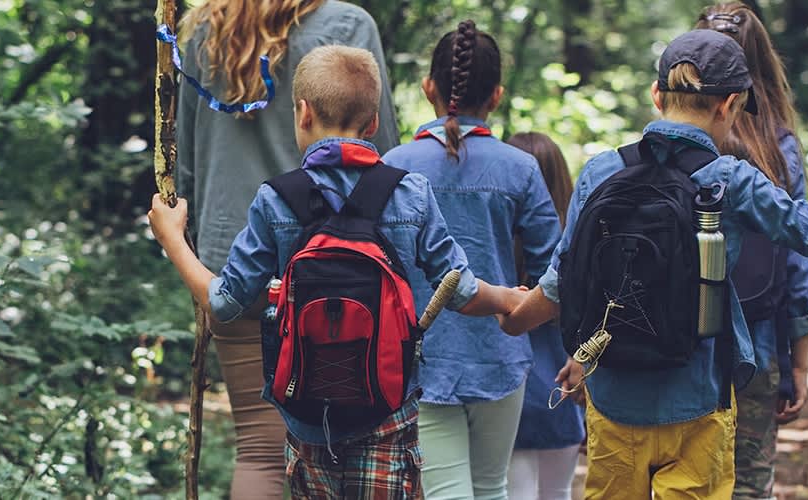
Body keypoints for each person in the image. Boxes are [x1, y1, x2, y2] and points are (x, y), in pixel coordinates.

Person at [499, 29, 808, 499]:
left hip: (613, 402)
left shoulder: (600, 170)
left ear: (656, 95)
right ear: (729, 104)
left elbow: (561, 286)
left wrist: (511, 315)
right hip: (697, 403)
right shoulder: (731, 180)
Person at [151, 45, 527, 499]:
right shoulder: (410, 194)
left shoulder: (276, 199)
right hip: (388, 411)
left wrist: (174, 239)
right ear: (372, 124)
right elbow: (461, 291)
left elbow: (224, 303)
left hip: (307, 417)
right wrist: (509, 301)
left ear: (303, 113)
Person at [174, 1, 400, 496]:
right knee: (349, 446)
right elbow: (378, 148)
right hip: (336, 264)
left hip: (230, 259)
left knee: (258, 449)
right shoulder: (346, 24)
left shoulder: (206, 29)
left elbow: (186, 167)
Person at [380, 20, 562, 500]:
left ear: (428, 88)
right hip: (502, 356)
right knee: (490, 488)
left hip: (421, 355)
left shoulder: (393, 166)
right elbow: (555, 269)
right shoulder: (520, 168)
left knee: (444, 491)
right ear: (497, 96)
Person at [695, 4, 808, 498]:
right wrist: (800, 362)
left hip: (683, 341)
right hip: (759, 340)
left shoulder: (668, 146)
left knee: (690, 477)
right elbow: (796, 259)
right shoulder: (778, 145)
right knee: (749, 483)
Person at [502, 132, 586, 500]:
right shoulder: (577, 241)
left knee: (513, 493)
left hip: (510, 396)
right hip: (561, 393)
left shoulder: (498, 244)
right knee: (558, 493)